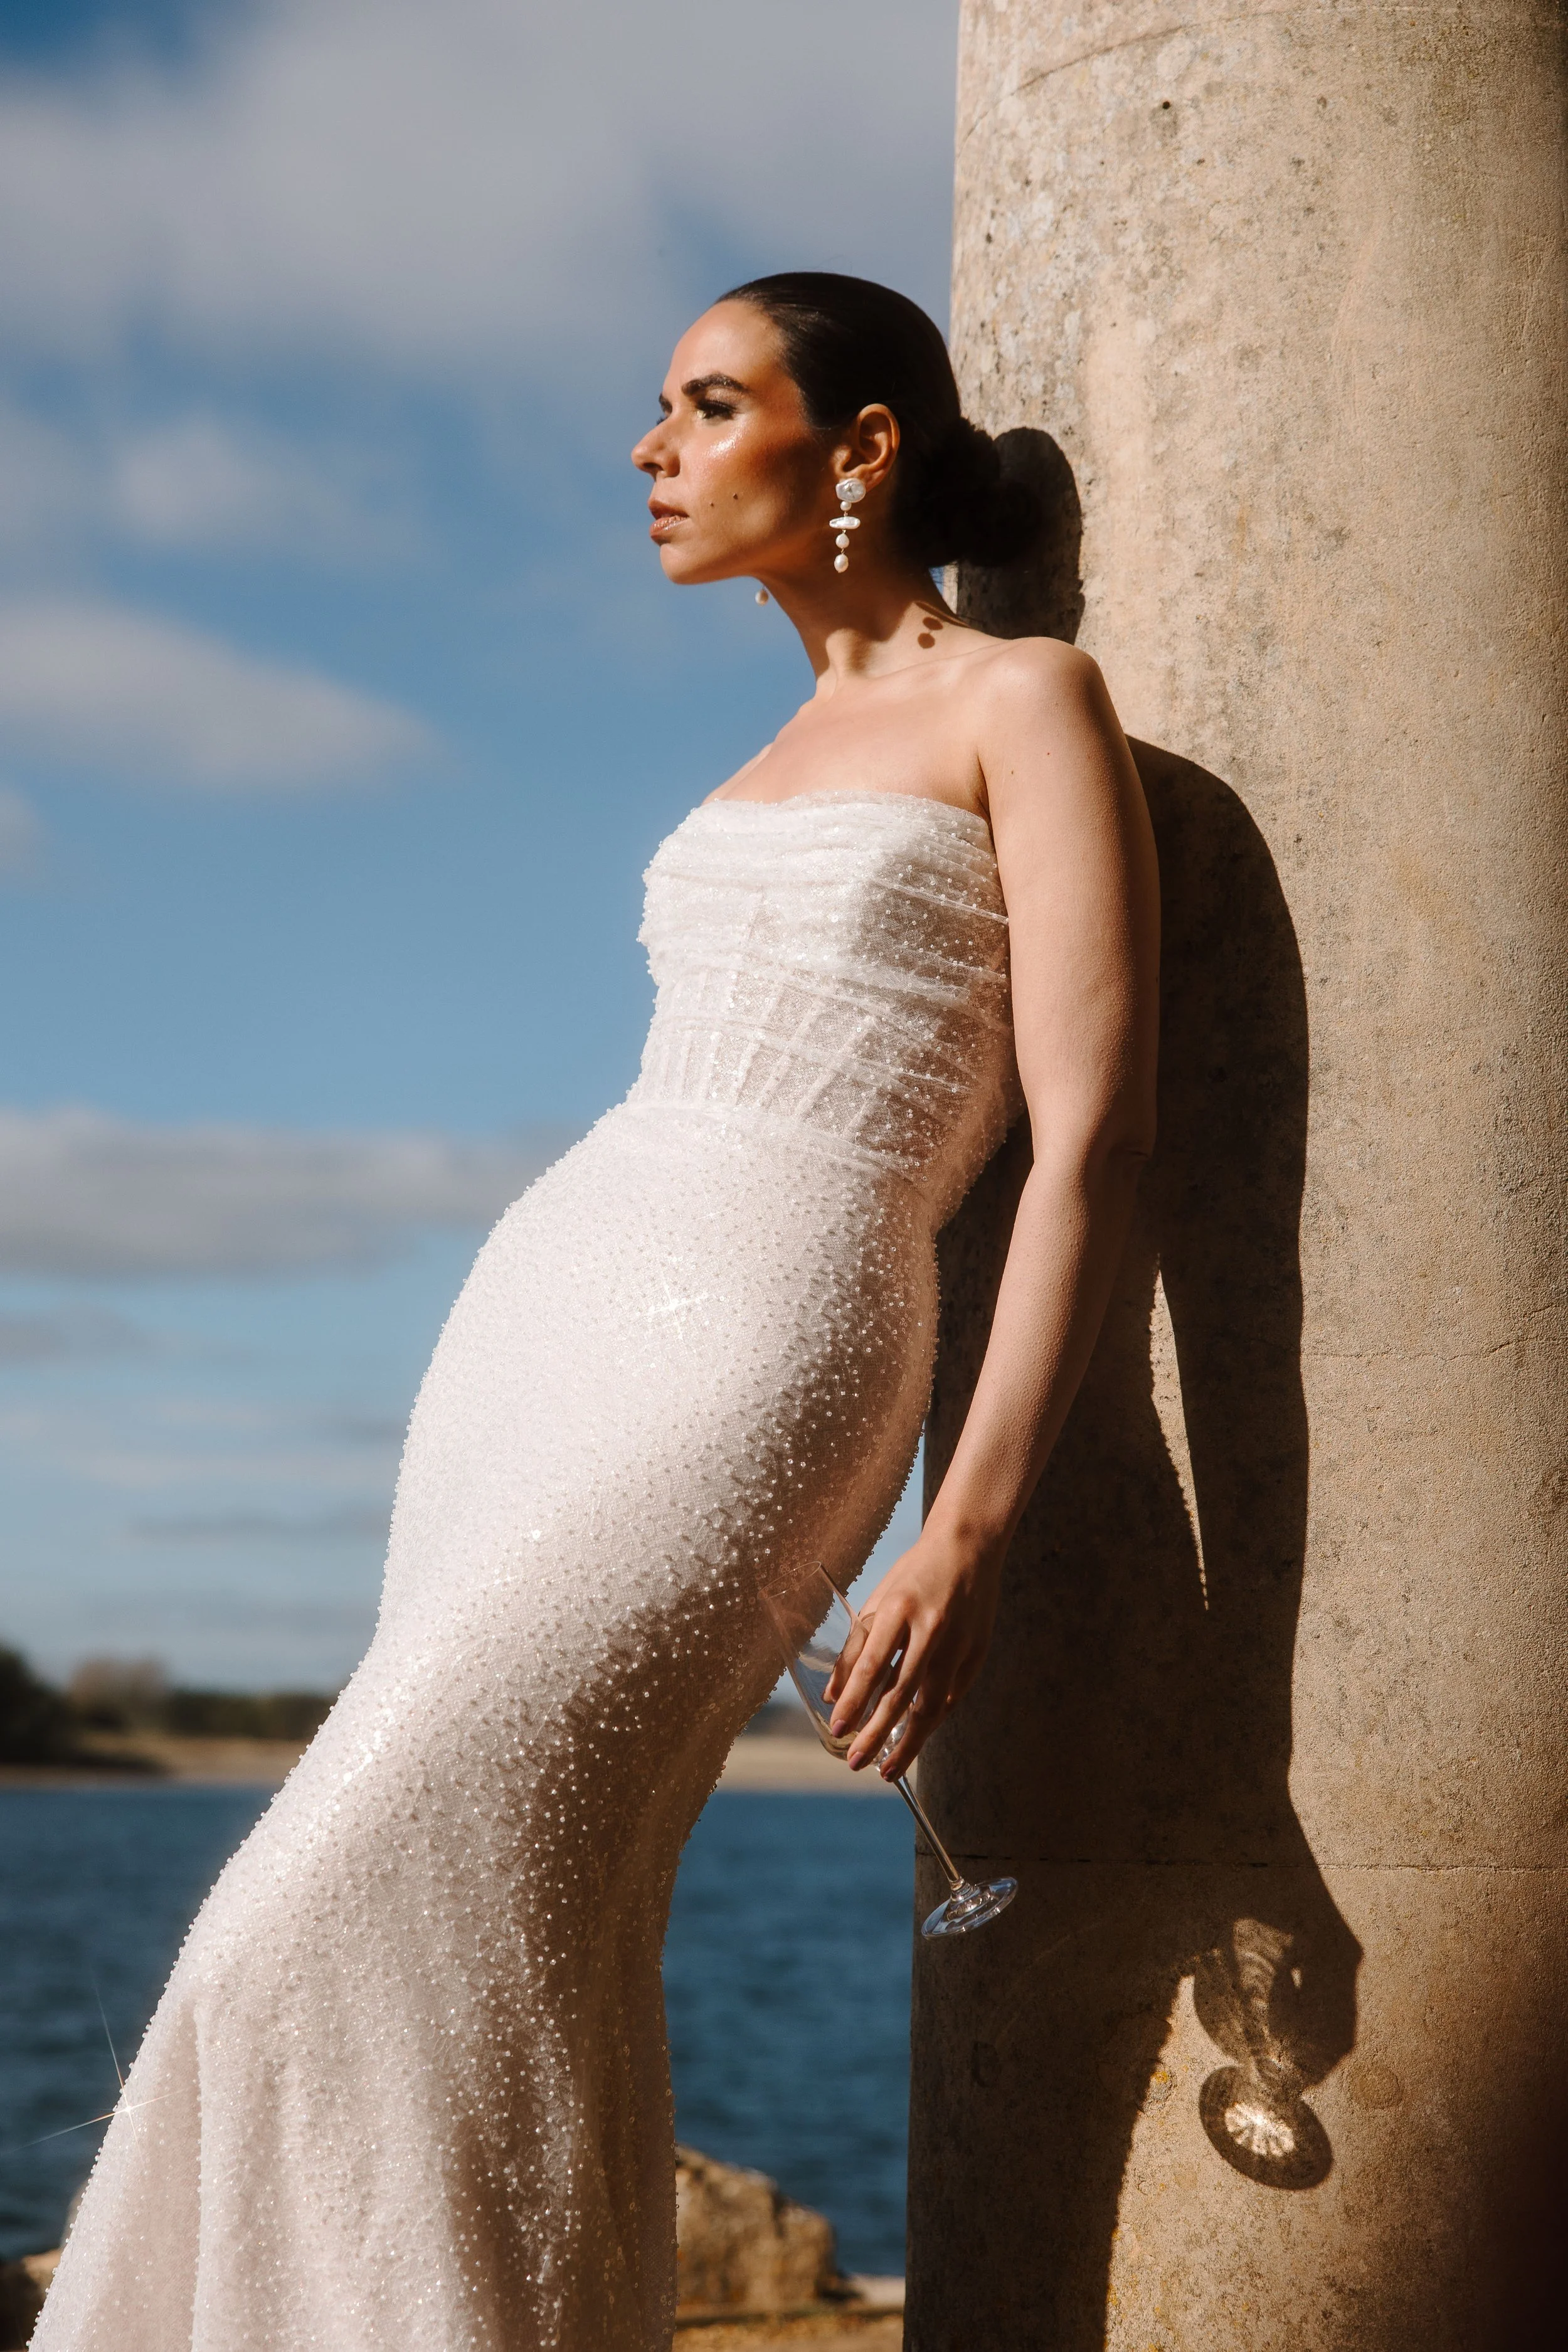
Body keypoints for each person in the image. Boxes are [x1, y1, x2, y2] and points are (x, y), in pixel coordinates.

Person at [34, 273, 1158, 2352]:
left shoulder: (1020, 700)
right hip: (548, 1310)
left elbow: (1091, 1135)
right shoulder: (766, 750)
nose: (650, 450)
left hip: (770, 1322)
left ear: (862, 448)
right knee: (506, 1917)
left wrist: (969, 1515)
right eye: (662, 408)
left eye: (707, 405)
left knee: (329, 1904)